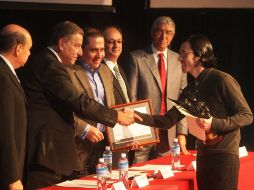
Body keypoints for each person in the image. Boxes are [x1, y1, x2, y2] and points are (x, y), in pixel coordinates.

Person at [22, 21, 140, 190]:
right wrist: (115, 117)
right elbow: (78, 102)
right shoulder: (55, 67)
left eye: (101, 50)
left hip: (101, 150)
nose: (79, 51)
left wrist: (125, 135)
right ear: (62, 44)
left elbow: (109, 105)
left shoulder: (106, 71)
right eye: (78, 46)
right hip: (57, 151)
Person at [178, 34, 253, 190]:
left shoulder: (222, 79)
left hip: (224, 155)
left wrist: (214, 123)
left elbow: (246, 115)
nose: (179, 58)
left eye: (184, 53)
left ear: (198, 56)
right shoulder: (190, 89)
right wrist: (136, 116)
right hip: (204, 155)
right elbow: (168, 119)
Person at [129, 16, 189, 163]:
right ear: (152, 32)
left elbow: (184, 100)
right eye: (159, 31)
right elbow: (132, 97)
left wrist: (182, 132)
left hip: (169, 129)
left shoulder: (179, 60)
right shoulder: (136, 58)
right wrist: (133, 131)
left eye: (168, 32)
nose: (163, 36)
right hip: (143, 128)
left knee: (164, 177)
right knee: (138, 174)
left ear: (173, 35)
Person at [0, 24, 32, 190]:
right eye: (28, 49)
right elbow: (5, 129)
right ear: (18, 48)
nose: (30, 53)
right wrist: (12, 176)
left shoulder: (7, 72)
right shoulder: (3, 76)